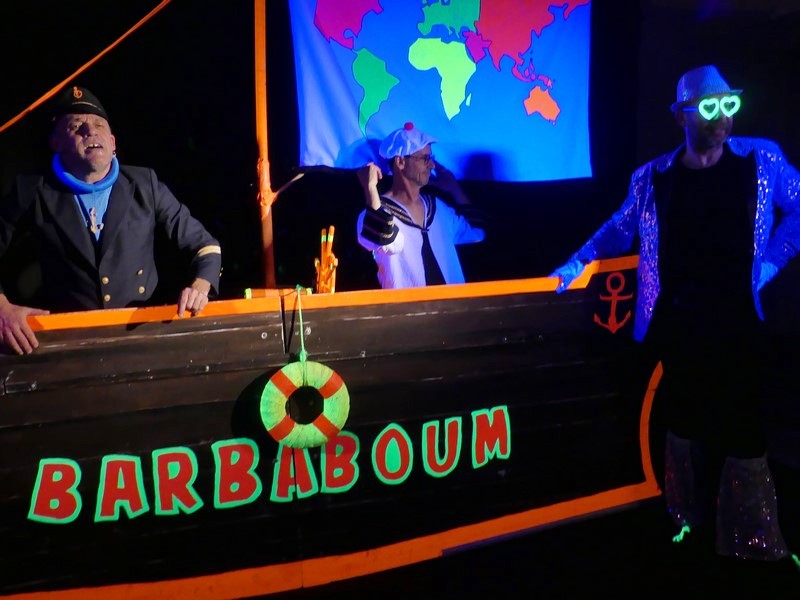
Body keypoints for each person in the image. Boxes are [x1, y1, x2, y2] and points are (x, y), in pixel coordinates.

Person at [550, 65, 800, 573]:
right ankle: (685, 518)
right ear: (681, 116)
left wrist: (773, 261)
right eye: (709, 108)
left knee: (742, 424)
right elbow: (618, 229)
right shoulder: (653, 177)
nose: (722, 118)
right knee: (684, 419)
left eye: (729, 105)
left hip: (738, 318)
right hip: (678, 321)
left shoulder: (762, 159)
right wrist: (576, 262)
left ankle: (750, 536)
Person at [0, 85, 222, 355]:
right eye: (75, 126)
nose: (90, 131)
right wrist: (2, 309)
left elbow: (204, 246)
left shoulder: (145, 184)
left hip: (142, 339)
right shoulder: (30, 191)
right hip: (67, 346)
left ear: (113, 142)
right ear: (55, 142)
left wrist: (200, 285)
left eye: (98, 125)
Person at [356, 122, 485, 289]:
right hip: (410, 306)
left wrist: (454, 189)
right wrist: (370, 188)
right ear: (400, 162)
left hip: (454, 304)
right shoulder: (375, 212)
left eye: (431, 158)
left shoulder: (437, 207)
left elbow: (477, 232)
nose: (432, 165)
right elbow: (386, 241)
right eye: (425, 159)